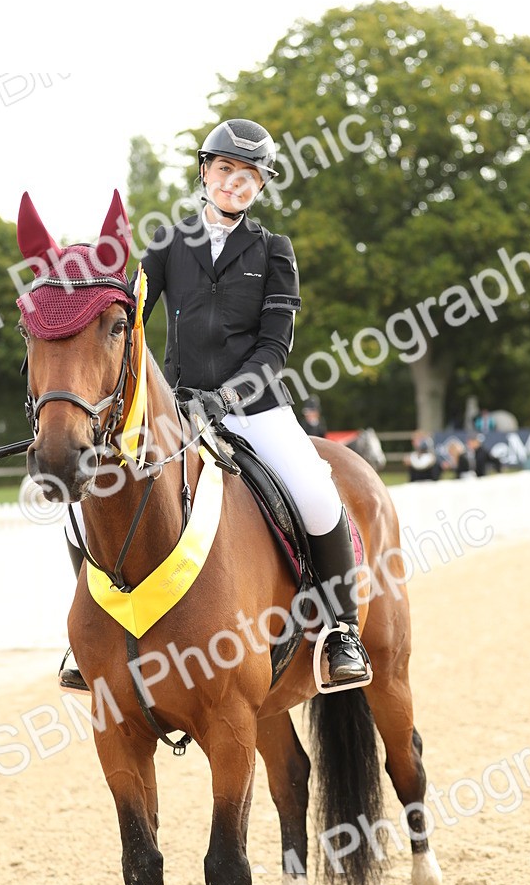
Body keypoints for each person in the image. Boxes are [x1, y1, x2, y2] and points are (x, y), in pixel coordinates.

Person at [62, 118, 370, 692]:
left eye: (248, 176)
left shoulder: (274, 251)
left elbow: (275, 346)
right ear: (206, 172)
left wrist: (226, 398)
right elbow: (127, 323)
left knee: (316, 494)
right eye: (226, 169)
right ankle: (90, 639)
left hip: (255, 408)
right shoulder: (167, 245)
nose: (235, 183)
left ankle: (342, 631)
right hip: (174, 410)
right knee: (88, 502)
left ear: (260, 186)